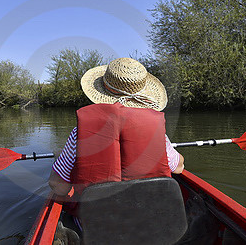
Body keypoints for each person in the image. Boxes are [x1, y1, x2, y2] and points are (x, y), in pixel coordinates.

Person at [49, 57, 184, 209]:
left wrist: (59, 159)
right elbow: (178, 168)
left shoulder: (79, 134)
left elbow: (59, 187)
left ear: (102, 92)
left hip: (97, 224)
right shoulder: (157, 134)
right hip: (151, 221)